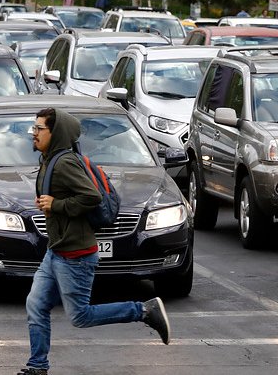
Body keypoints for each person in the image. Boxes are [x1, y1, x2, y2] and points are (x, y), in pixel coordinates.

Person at [20, 107, 170, 375]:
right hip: (56, 251)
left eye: (39, 128)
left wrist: (57, 204)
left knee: (80, 317)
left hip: (75, 254)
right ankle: (37, 367)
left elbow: (92, 197)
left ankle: (144, 310)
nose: (34, 133)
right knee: (36, 305)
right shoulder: (49, 160)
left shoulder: (65, 163)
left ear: (56, 133)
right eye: (34, 128)